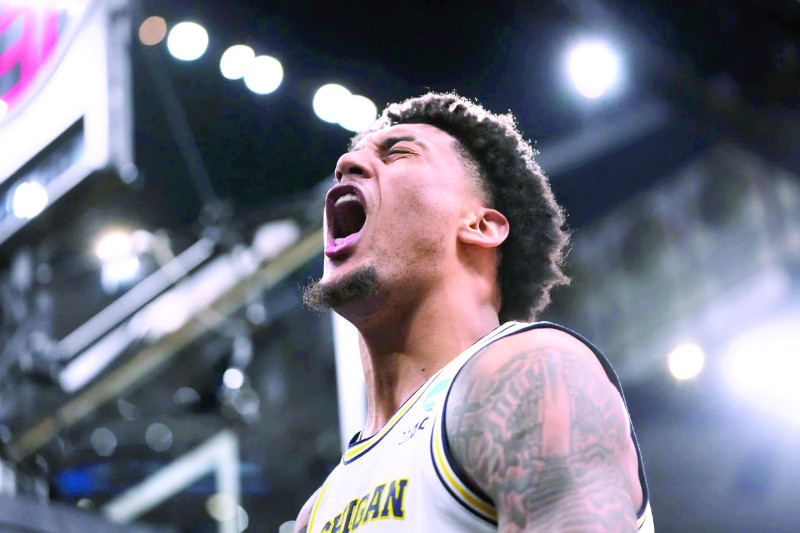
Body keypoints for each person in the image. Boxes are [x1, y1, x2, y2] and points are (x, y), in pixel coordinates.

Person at [296, 92, 654, 532]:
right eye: (350, 157)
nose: (345, 166)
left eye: (399, 153)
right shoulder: (316, 513)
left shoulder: (531, 375)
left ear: (480, 225)